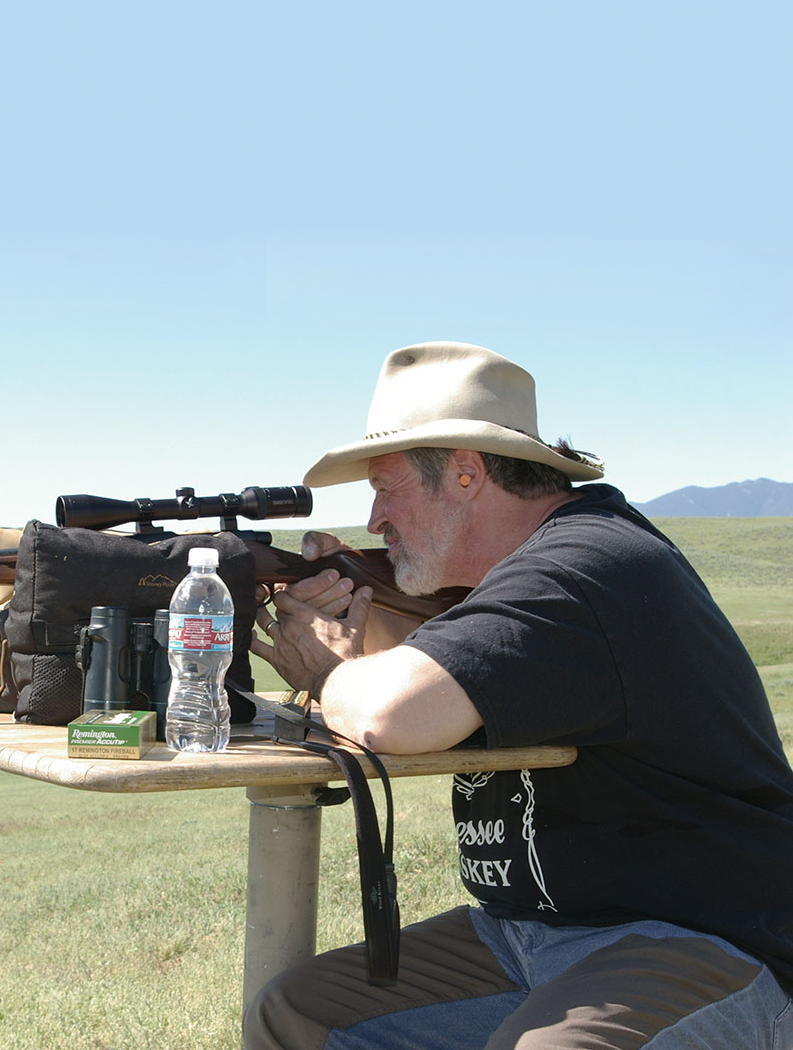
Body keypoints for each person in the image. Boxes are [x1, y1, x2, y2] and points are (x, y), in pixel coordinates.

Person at [244, 341, 793, 1050]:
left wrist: (328, 667)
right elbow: (435, 678)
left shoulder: (585, 567)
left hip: (699, 932)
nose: (375, 517)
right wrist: (354, 604)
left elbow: (386, 715)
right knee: (296, 1012)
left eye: (388, 487)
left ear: (467, 474)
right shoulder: (518, 577)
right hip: (525, 932)